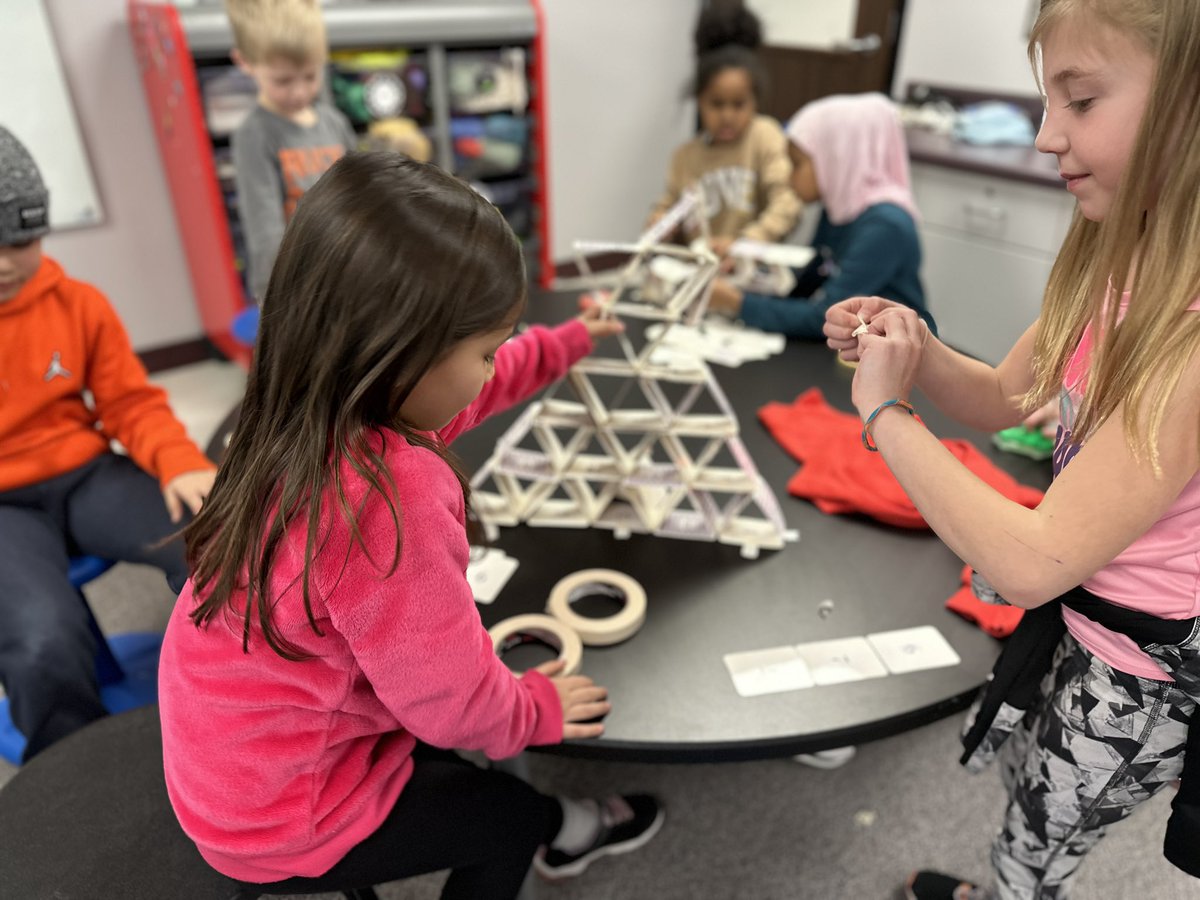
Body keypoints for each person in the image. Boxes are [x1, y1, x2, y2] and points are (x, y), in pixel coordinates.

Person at [157, 153, 664, 897]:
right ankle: (560, 831)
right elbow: (451, 705)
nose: (494, 369)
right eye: (487, 351)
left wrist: (562, 345)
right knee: (513, 815)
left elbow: (465, 394)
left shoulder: (294, 409)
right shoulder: (388, 499)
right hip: (281, 816)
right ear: (404, 356)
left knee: (457, 768)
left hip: (222, 763)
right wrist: (533, 710)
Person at [823, 1, 1200, 896]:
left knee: (1035, 850)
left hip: (1135, 673)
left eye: (1079, 102)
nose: (1042, 136)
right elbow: (1003, 397)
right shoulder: (1121, 254)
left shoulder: (1188, 342)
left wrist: (888, 416)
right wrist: (912, 351)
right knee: (1021, 782)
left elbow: (1029, 563)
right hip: (1078, 611)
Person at [0, 126, 216, 761]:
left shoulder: (79, 304)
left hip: (84, 473)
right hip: (4, 508)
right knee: (42, 638)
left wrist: (178, 461)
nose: (6, 260)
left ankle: (235, 700)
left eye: (23, 238)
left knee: (216, 541)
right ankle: (77, 776)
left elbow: (128, 402)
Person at [708, 92, 935, 342]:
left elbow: (828, 318)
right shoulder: (839, 210)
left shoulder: (886, 226)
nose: (789, 177)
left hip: (891, 361)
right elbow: (812, 276)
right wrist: (748, 273)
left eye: (797, 164)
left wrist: (737, 303)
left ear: (837, 158)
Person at [225, 0, 357, 302]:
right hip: (300, 284)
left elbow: (358, 193)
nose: (299, 92)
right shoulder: (254, 135)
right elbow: (264, 227)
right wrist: (270, 296)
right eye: (283, 81)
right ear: (244, 61)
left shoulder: (334, 122)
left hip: (349, 271)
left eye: (310, 76)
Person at [647, 0, 801, 259]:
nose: (727, 116)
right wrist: (659, 221)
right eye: (716, 104)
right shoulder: (684, 156)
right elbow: (670, 205)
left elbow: (787, 202)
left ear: (755, 100)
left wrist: (746, 242)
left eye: (739, 104)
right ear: (699, 102)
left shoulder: (765, 137)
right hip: (699, 268)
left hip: (751, 267)